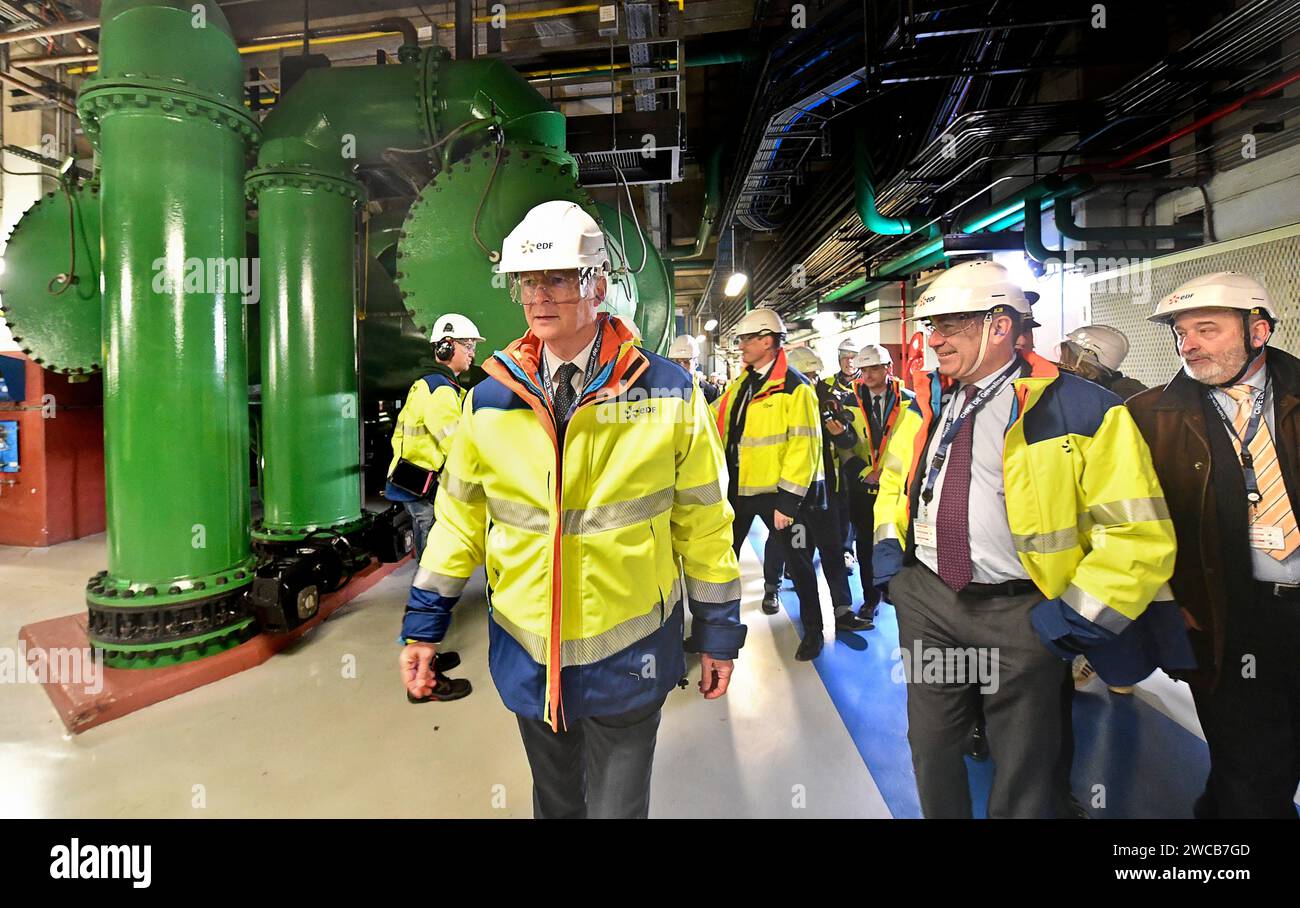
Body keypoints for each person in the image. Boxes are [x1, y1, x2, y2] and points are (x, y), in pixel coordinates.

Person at [398, 200, 746, 819]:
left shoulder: (667, 392)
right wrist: (424, 623)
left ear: (599, 284)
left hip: (630, 658)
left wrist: (718, 631)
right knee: (555, 807)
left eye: (558, 277)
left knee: (617, 809)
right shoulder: (488, 401)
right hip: (531, 663)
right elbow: (458, 522)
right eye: (528, 281)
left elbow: (703, 521)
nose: (539, 295)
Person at [871, 259, 1182, 818]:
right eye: (931, 327)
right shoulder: (928, 402)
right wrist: (894, 565)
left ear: (998, 325)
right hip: (931, 603)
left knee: (1025, 762)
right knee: (933, 744)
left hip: (1021, 615)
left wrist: (1075, 617)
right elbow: (897, 481)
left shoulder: (1085, 412)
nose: (933, 341)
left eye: (949, 326)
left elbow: (1138, 533)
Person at [1127, 271, 1300, 818]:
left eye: (1207, 329)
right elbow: (1134, 522)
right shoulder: (1150, 417)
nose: (1189, 345)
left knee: (1265, 762)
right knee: (1252, 764)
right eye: (1181, 334)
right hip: (1227, 614)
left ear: (1259, 331)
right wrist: (1167, 598)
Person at [714, 310, 846, 661]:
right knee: (719, 562)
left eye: (746, 339)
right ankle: (716, 633)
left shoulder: (795, 386)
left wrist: (788, 503)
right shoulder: (743, 384)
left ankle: (814, 631)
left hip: (777, 496)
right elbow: (720, 424)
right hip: (740, 492)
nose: (740, 345)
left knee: (799, 564)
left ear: (768, 341)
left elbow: (804, 446)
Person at [775, 345, 870, 632]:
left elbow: (848, 442)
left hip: (828, 495)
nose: (811, 381)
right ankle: (811, 623)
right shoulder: (780, 408)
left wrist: (840, 433)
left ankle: (842, 612)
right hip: (796, 499)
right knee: (800, 561)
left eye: (815, 375)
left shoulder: (829, 403)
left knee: (833, 554)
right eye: (805, 375)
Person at [385, 313, 484, 560]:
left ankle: (427, 590)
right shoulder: (440, 390)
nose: (472, 353)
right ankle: (428, 594)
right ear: (446, 346)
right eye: (468, 345)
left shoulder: (432, 383)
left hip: (412, 480)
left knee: (428, 538)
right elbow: (456, 446)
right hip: (421, 486)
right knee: (432, 544)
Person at [841, 343, 914, 627]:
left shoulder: (909, 401)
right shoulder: (848, 402)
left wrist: (889, 473)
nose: (868, 375)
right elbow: (842, 444)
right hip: (861, 485)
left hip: (895, 485)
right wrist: (863, 472)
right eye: (865, 369)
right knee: (865, 544)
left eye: (874, 368)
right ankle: (871, 597)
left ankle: (893, 589)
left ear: (888, 369)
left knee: (896, 539)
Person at [823, 338, 862, 568]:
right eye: (845, 357)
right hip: (829, 455)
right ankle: (831, 546)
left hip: (856, 454)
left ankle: (847, 551)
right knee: (833, 503)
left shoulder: (864, 386)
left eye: (853, 357)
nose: (849, 362)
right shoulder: (826, 385)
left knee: (850, 503)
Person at [1057, 324, 1147, 401]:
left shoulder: (1121, 395)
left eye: (1066, 359)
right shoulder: (1128, 390)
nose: (1061, 363)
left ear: (1084, 359)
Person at [669, 333, 720, 403]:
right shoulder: (662, 390)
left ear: (696, 363)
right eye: (677, 362)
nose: (681, 367)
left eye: (686, 362)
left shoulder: (711, 393)